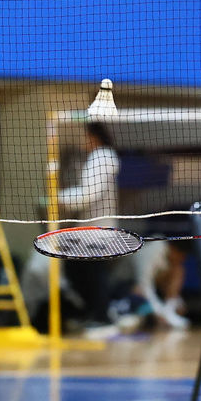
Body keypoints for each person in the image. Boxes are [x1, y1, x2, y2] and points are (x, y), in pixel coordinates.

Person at [58, 121, 120, 337]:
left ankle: (103, 318)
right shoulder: (97, 157)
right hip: (88, 228)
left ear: (93, 136)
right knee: (76, 269)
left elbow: (88, 194)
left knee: (94, 273)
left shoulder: (102, 157)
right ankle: (93, 313)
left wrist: (59, 198)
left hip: (99, 229)